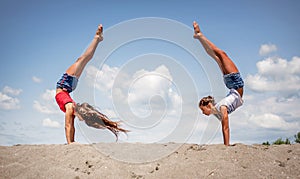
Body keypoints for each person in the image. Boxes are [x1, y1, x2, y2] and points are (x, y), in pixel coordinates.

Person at [55, 24, 128, 144]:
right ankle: (97, 38)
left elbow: (71, 127)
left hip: (69, 87)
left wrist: (72, 143)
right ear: (82, 114)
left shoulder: (71, 109)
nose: (81, 120)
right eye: (83, 119)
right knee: (83, 59)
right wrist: (70, 144)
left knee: (83, 59)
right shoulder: (70, 108)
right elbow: (68, 126)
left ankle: (97, 39)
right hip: (65, 85)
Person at [193, 21, 244, 146]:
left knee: (220, 54)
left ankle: (200, 35)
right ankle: (199, 36)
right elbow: (224, 124)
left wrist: (226, 147)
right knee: (216, 56)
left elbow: (225, 127)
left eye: (202, 109)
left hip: (235, 83)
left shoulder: (221, 108)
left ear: (208, 105)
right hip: (231, 84)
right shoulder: (217, 111)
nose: (202, 113)